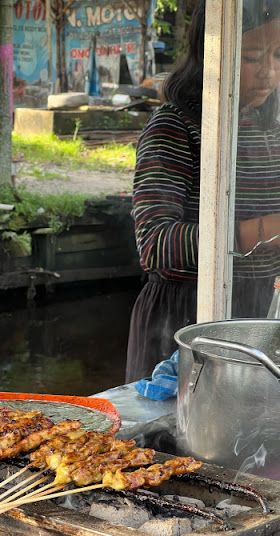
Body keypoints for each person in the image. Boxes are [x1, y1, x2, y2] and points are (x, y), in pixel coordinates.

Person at [125, 0, 280, 383]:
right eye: (252, 57)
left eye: (278, 55)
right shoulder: (175, 127)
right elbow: (156, 245)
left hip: (260, 314)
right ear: (213, 56)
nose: (269, 72)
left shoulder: (271, 127)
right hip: (185, 317)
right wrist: (268, 229)